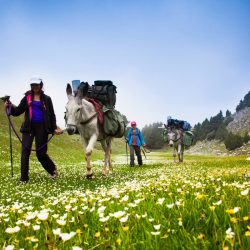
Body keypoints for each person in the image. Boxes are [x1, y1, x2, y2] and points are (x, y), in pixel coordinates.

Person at [4, 77, 61, 184]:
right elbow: (17, 111)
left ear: (41, 85)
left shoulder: (47, 99)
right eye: (33, 85)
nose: (35, 86)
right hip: (28, 127)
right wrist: (9, 106)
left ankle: (52, 170)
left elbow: (52, 115)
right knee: (25, 152)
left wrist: (54, 128)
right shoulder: (26, 98)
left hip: (42, 128)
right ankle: (23, 179)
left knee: (41, 153)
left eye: (37, 84)